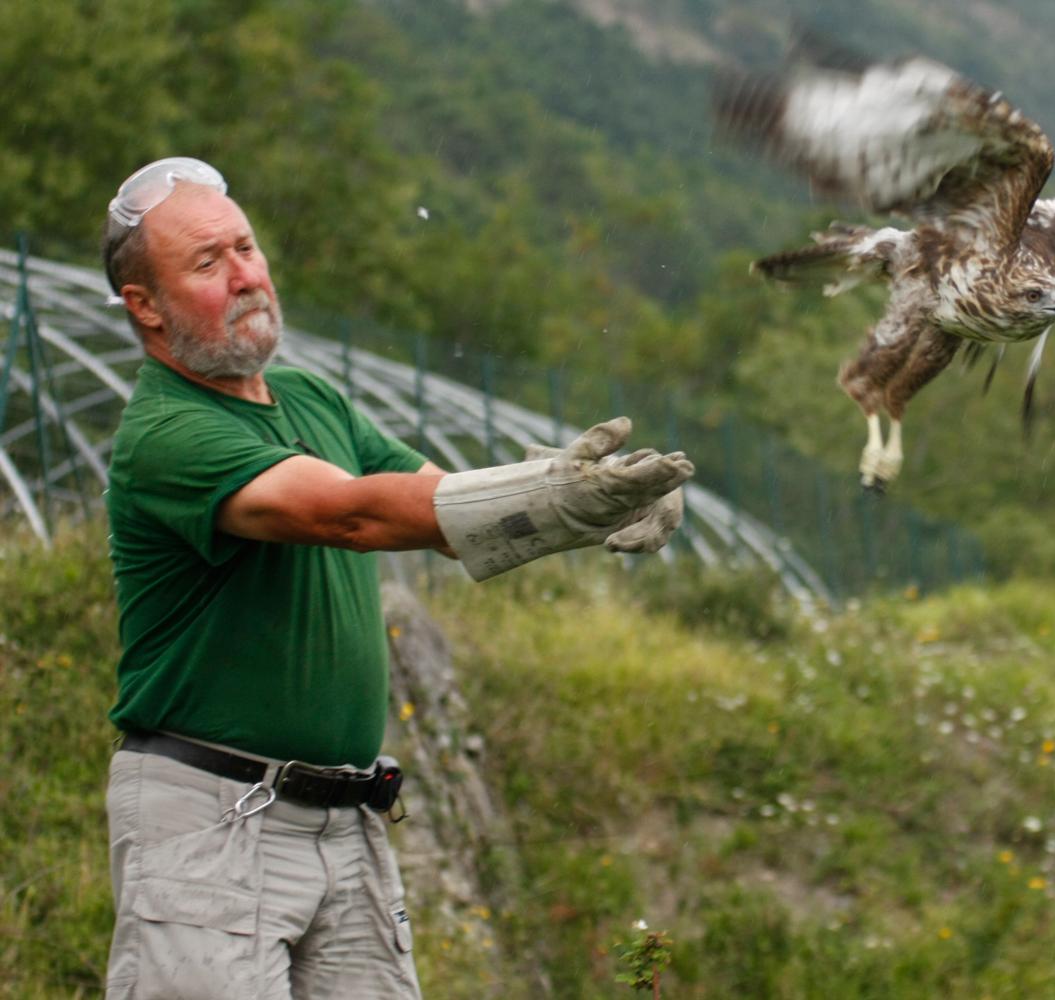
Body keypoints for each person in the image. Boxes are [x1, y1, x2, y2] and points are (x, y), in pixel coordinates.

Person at [98, 157, 693, 998]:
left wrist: (583, 498)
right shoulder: (168, 433)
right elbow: (349, 514)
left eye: (246, 247)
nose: (245, 276)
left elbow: (435, 511)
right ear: (145, 306)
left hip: (343, 822)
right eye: (207, 263)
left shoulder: (312, 400)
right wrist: (556, 500)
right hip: (209, 818)